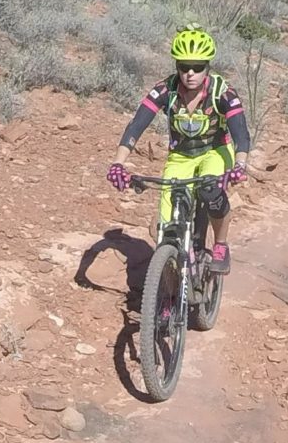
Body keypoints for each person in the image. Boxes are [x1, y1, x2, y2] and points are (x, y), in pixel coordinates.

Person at [107, 27, 250, 274]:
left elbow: (240, 132)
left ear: (207, 66)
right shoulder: (166, 90)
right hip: (181, 154)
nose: (190, 73)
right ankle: (169, 292)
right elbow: (138, 124)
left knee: (211, 191)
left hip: (215, 151)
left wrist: (240, 164)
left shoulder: (222, 91)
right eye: (184, 67)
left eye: (197, 66)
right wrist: (118, 162)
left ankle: (220, 245)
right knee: (166, 224)